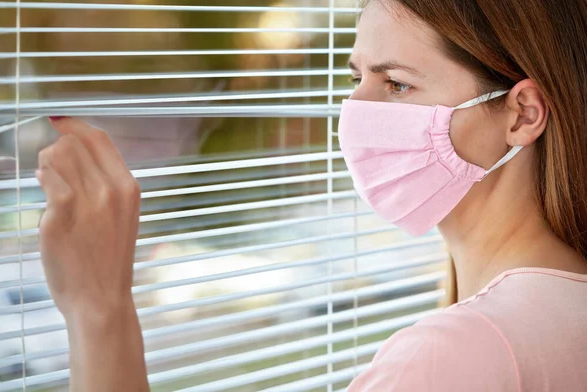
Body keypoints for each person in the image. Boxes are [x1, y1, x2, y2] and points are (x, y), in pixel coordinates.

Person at [36, 0, 587, 390]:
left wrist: (98, 310)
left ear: (522, 114)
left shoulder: (455, 354)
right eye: (355, 80)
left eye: (396, 83)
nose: (357, 114)